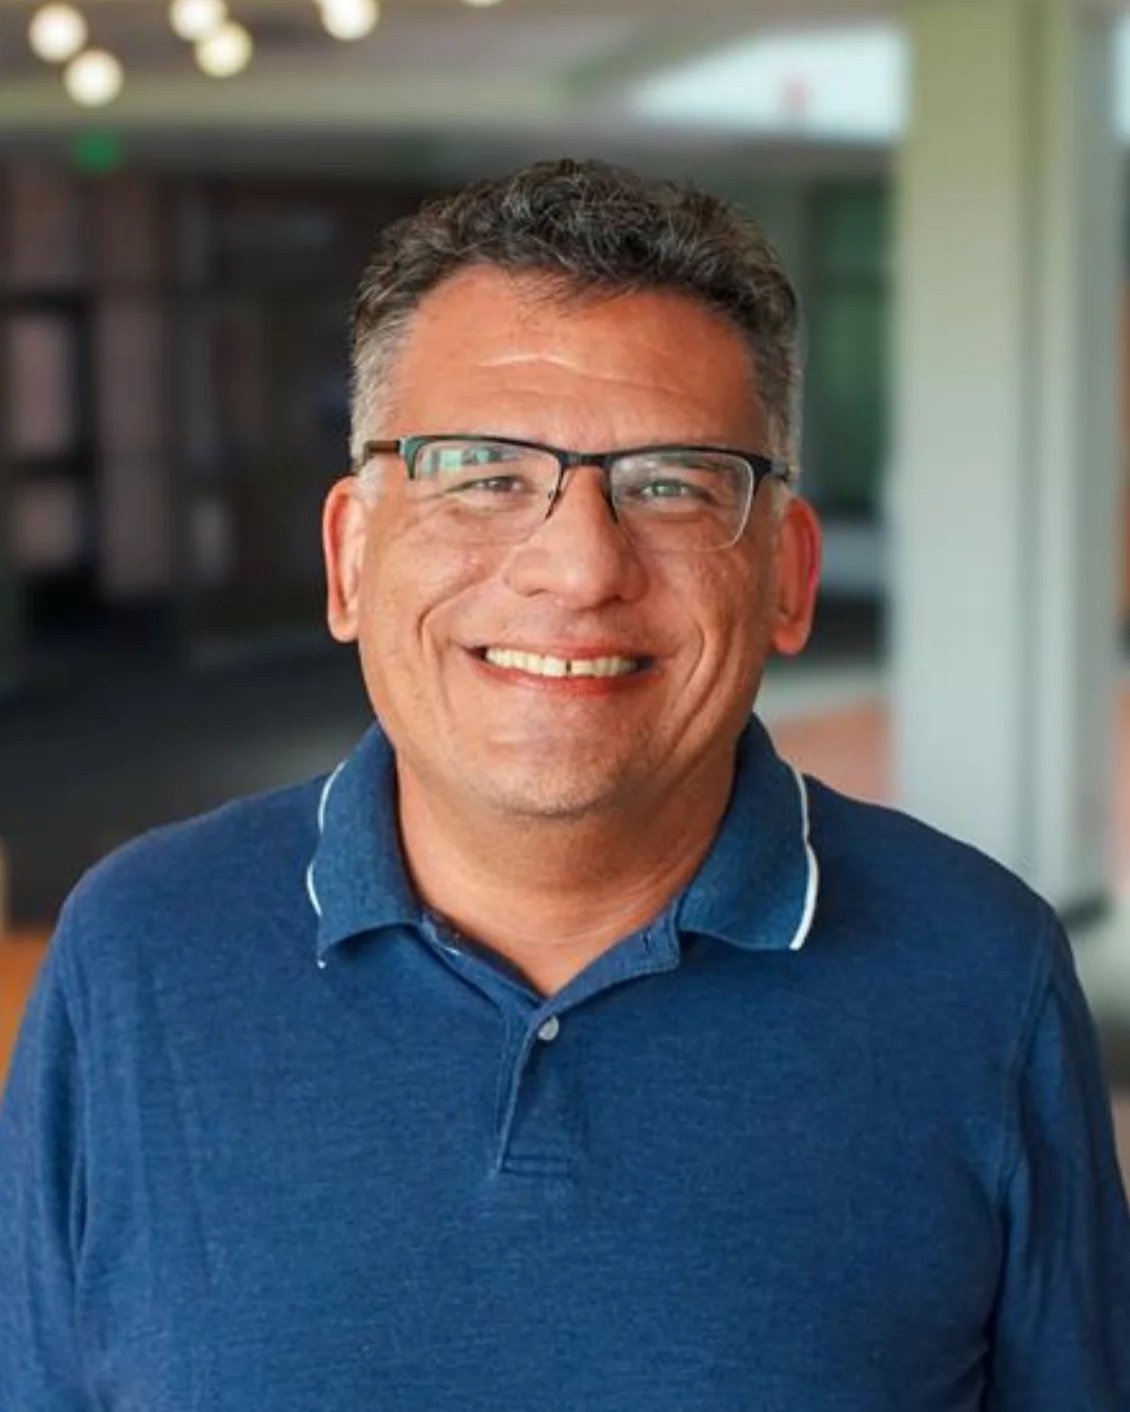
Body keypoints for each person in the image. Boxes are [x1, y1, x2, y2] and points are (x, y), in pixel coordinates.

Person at [2, 158, 1128, 1410]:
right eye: (482, 473)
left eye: (671, 483)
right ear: (350, 558)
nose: (579, 567)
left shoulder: (980, 973)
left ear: (786, 577)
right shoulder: (136, 952)